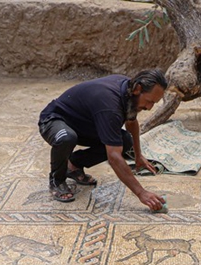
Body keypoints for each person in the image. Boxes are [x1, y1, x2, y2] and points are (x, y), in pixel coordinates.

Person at [38, 69, 168, 210]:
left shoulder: (128, 92)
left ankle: (73, 165)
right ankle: (57, 180)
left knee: (125, 141)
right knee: (67, 138)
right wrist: (141, 193)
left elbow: (131, 122)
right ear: (138, 89)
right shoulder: (110, 105)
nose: (149, 107)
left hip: (82, 124)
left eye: (154, 103)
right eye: (149, 101)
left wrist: (138, 155)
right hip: (54, 120)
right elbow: (113, 157)